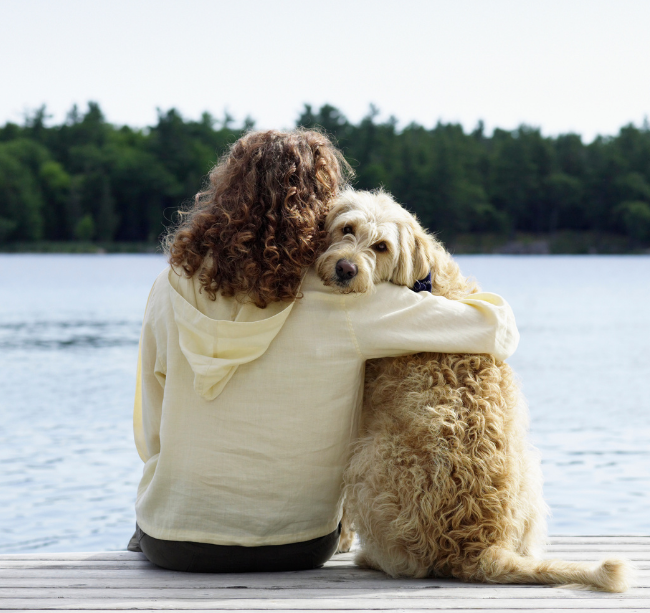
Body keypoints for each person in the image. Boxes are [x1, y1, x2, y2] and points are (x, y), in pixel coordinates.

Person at [129, 129, 519, 573]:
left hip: (171, 542)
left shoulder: (168, 286)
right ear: (319, 211)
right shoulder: (349, 301)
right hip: (297, 545)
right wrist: (430, 273)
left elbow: (150, 429)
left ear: (223, 195)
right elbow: (498, 330)